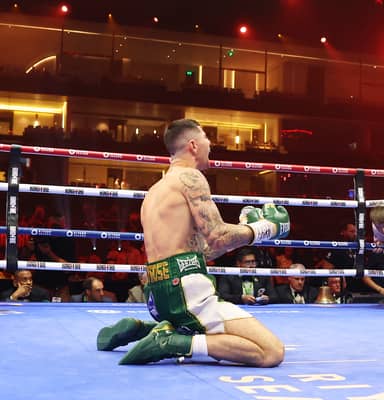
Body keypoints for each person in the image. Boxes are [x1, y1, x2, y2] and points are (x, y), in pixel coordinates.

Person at [96, 118, 287, 367]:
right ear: (194, 145)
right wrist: (264, 228)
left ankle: (145, 330)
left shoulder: (156, 190)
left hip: (160, 293)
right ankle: (172, 343)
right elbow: (217, 234)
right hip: (187, 291)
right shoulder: (191, 178)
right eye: (207, 139)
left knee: (212, 333)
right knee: (271, 352)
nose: (211, 145)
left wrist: (242, 231)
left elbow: (207, 248)